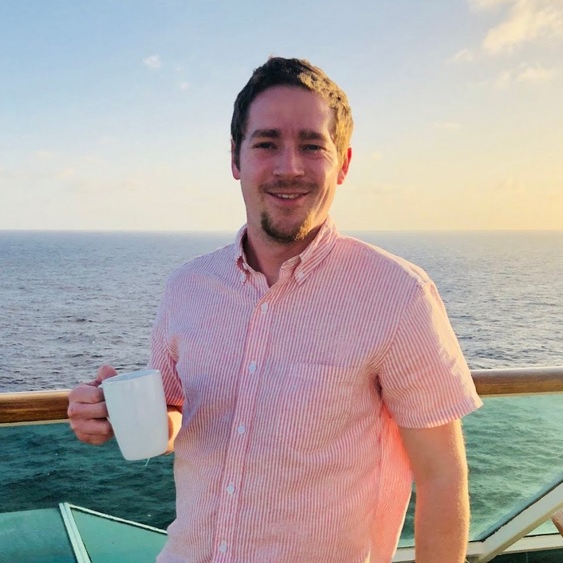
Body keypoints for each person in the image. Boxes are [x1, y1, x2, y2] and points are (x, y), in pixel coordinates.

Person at [68, 56, 482, 563]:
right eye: (266, 143)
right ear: (236, 159)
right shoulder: (187, 287)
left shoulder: (397, 295)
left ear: (343, 164)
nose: (289, 167)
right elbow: (175, 412)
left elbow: (442, 476)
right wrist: (110, 415)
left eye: (312, 145)